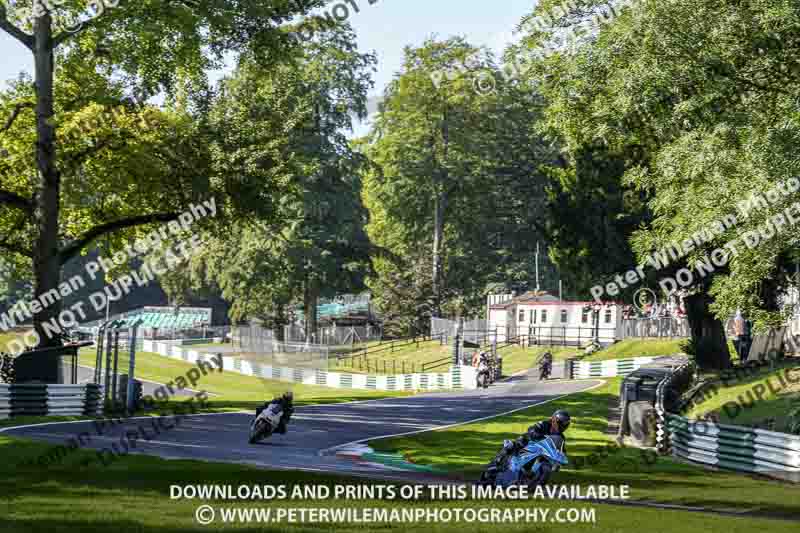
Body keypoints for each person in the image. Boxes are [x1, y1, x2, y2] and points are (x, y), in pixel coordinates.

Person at [493, 410, 571, 464]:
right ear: (555, 420)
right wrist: (535, 433)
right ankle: (497, 461)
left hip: (541, 451)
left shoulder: (560, 437)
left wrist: (562, 455)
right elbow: (532, 429)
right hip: (528, 443)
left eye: (565, 423)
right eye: (561, 422)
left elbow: (561, 449)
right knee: (513, 445)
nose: (563, 425)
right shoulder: (543, 424)